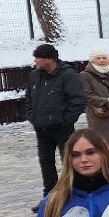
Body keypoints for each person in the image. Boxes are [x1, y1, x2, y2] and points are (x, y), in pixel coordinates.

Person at [26, 43, 87, 194]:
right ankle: (50, 197)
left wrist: (65, 120)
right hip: (42, 128)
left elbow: (79, 99)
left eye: (38, 58)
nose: (35, 61)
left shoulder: (67, 75)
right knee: (46, 162)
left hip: (62, 128)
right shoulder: (35, 75)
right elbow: (28, 98)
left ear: (49, 59)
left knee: (68, 160)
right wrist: (33, 117)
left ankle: (75, 193)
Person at [80, 49, 109, 151]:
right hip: (97, 114)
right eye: (98, 58)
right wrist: (106, 102)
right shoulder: (85, 75)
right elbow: (87, 95)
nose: (101, 60)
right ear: (92, 60)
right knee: (100, 144)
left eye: (104, 58)